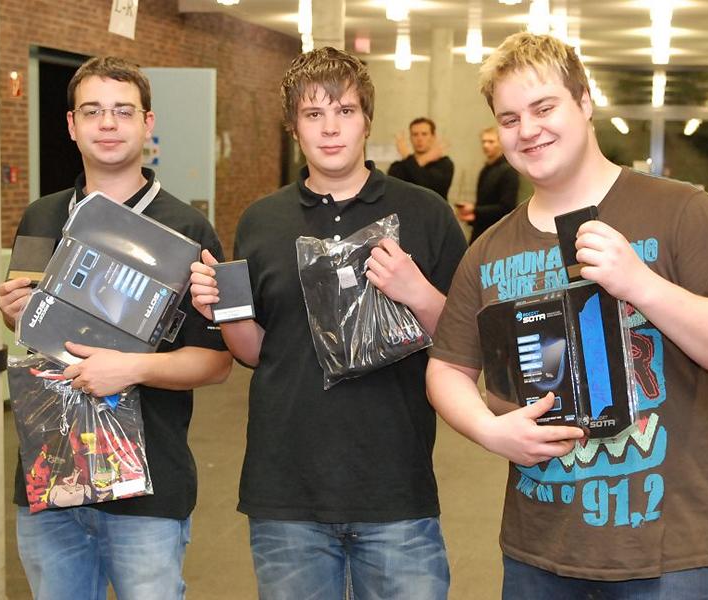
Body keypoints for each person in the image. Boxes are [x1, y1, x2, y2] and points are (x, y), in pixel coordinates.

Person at [425, 32, 708, 599]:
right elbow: (447, 368)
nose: (528, 130)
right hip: (539, 552)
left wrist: (640, 283)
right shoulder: (489, 250)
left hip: (668, 555)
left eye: (544, 108)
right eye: (510, 118)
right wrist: (489, 430)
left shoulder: (680, 210)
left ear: (585, 102)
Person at [190, 47, 467, 599]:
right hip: (287, 491)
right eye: (313, 114)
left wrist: (416, 292)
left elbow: (465, 340)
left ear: (367, 119)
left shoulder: (425, 213)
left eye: (344, 111)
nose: (331, 128)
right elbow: (256, 351)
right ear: (294, 127)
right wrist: (221, 311)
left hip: (395, 488)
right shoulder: (262, 220)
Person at [0, 56, 233, 600]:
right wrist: (12, 312)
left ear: (148, 124)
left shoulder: (188, 229)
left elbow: (216, 362)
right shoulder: (41, 217)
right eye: (92, 111)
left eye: (123, 111)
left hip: (149, 487)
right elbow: (30, 328)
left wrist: (130, 368)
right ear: (71, 125)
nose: (108, 123)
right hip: (51, 476)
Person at [455, 126, 520, 242]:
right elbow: (485, 202)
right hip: (483, 231)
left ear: (501, 143)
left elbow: (507, 207)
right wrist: (473, 216)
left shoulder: (508, 171)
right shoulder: (486, 169)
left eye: (491, 141)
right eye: (483, 141)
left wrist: (474, 210)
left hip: (498, 234)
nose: (485, 145)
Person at [388, 117, 455, 200]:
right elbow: (394, 190)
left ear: (433, 137)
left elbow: (429, 189)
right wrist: (423, 160)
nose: (419, 139)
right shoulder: (398, 166)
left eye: (424, 134)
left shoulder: (444, 164)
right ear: (410, 138)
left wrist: (408, 157)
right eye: (415, 134)